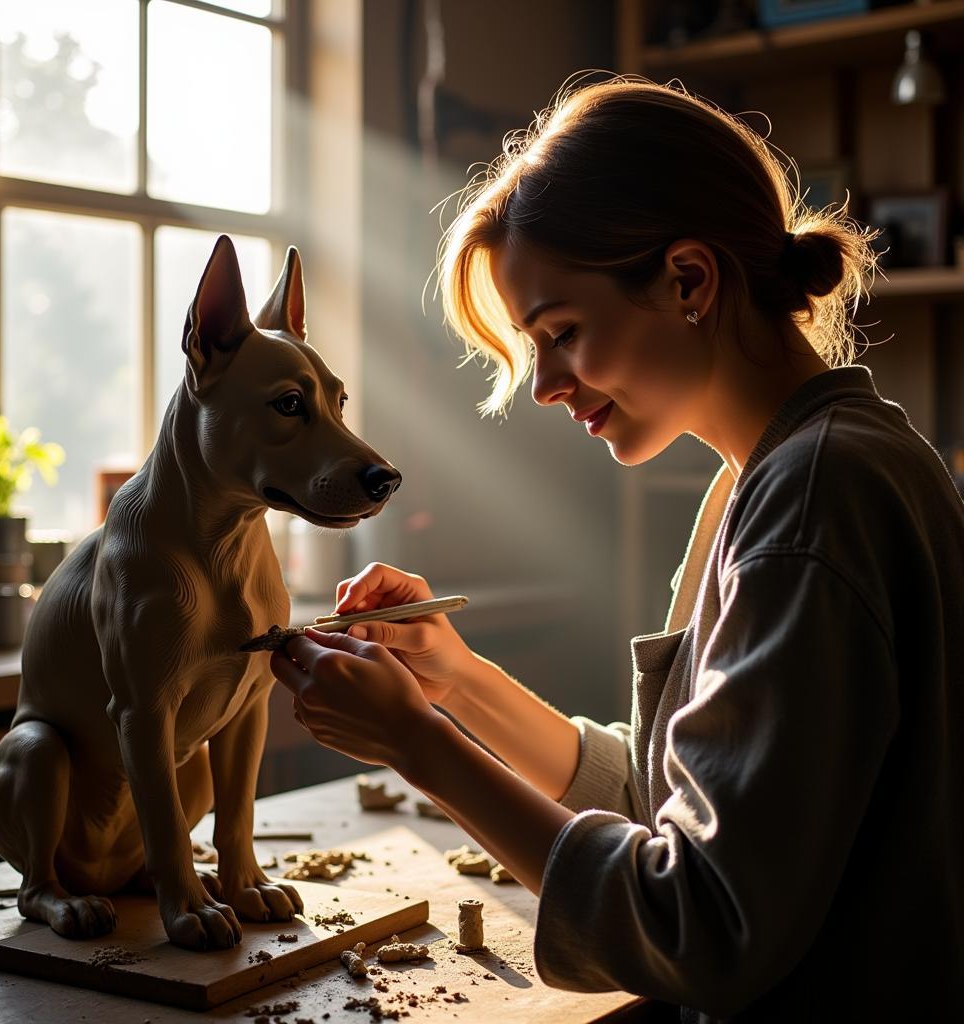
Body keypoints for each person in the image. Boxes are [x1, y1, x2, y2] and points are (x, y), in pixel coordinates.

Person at [271, 77, 964, 1021]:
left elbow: (698, 924)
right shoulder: (765, 477)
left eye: (561, 333)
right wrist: (460, 684)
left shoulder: (812, 499)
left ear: (688, 280)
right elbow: (668, 795)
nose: (545, 386)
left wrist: (414, 743)